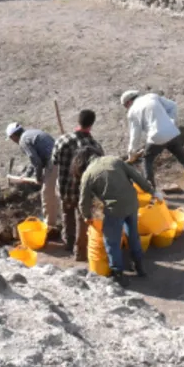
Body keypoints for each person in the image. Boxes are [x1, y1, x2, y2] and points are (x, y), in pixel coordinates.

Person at [74, 146, 152, 286]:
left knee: (112, 242)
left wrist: (87, 216)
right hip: (132, 203)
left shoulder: (88, 174)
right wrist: (151, 190)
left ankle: (118, 274)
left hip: (114, 210)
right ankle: (139, 266)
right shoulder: (115, 160)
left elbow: (83, 202)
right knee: (133, 235)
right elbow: (137, 176)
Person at [120, 90, 184, 196]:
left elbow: (135, 135)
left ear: (129, 102)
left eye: (126, 106)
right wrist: (172, 122)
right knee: (183, 158)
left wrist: (132, 153)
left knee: (147, 160)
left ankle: (151, 192)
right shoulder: (152, 96)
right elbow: (173, 106)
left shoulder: (132, 111)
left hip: (156, 137)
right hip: (172, 132)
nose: (127, 108)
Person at [50, 109, 104, 261]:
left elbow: (54, 161)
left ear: (78, 120)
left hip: (64, 187)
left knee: (67, 213)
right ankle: (80, 252)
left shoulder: (62, 140)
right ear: (91, 124)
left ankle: (69, 242)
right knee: (82, 219)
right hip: (83, 191)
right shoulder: (95, 146)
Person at [6, 123, 61, 234]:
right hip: (63, 157)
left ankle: (50, 226)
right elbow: (35, 160)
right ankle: (66, 218)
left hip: (54, 161)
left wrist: (38, 177)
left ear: (13, 136)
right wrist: (26, 174)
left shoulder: (23, 141)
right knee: (60, 190)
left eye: (11, 139)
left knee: (47, 193)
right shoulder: (31, 134)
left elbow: (36, 161)